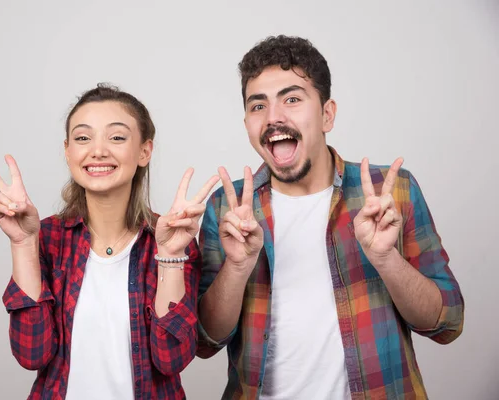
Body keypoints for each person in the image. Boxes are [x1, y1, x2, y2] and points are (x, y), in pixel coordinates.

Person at [197, 35, 464, 399]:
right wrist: (237, 268)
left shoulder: (391, 192)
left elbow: (448, 323)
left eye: (292, 99)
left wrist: (386, 260)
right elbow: (205, 340)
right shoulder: (227, 208)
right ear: (246, 122)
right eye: (258, 106)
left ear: (327, 114)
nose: (274, 117)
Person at [0, 84, 218, 400]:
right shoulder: (46, 237)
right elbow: (31, 354)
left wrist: (170, 255)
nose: (98, 150)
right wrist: (23, 243)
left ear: (145, 151)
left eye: (116, 137)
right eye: (82, 138)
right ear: (68, 151)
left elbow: (171, 359)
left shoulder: (173, 238)